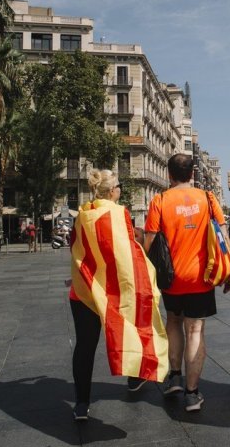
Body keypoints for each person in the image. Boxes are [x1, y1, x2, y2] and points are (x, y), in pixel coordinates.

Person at [69, 169, 168, 421]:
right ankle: (135, 378)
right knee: (134, 328)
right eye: (119, 186)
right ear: (113, 191)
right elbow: (127, 253)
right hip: (113, 289)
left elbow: (77, 247)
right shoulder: (118, 213)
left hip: (83, 290)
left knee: (84, 346)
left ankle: (81, 403)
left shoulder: (83, 214)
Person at [144, 154, 230, 412]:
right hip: (201, 277)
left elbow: (149, 242)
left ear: (169, 174)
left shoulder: (159, 200)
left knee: (173, 321)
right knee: (195, 331)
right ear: (192, 173)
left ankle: (175, 376)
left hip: (171, 279)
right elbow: (223, 236)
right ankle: (192, 394)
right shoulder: (207, 198)